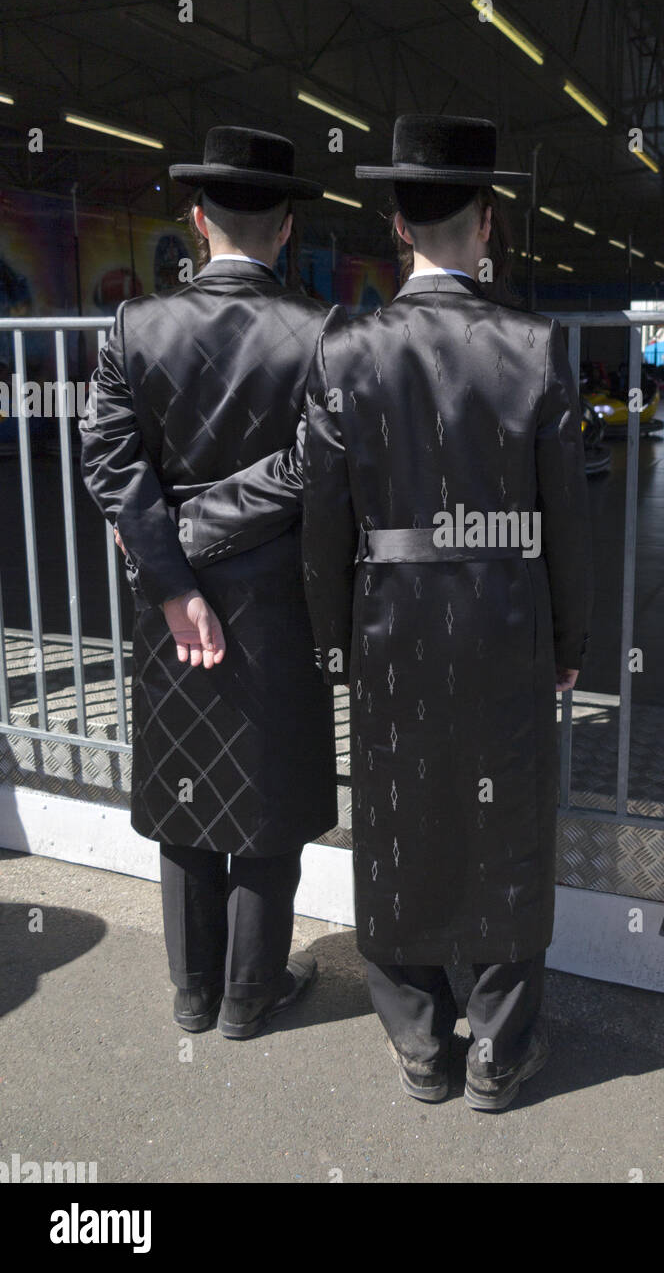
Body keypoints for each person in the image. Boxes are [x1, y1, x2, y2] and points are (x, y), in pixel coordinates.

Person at [177, 114, 593, 1109]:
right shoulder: (537, 346)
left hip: (389, 620)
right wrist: (567, 639)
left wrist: (333, 640)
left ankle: (420, 1042)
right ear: (485, 223)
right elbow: (567, 519)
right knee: (505, 821)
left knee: (400, 816)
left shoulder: (346, 348)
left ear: (399, 225)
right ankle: (498, 1046)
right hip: (505, 614)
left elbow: (326, 517)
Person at [79, 126, 339, 1041]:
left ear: (196, 221)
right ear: (285, 227)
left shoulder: (133, 326)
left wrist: (173, 563)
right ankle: (248, 997)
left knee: (183, 789)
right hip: (280, 601)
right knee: (270, 791)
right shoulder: (321, 332)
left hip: (167, 600)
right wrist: (213, 534)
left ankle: (190, 996)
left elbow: (109, 463)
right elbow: (317, 466)